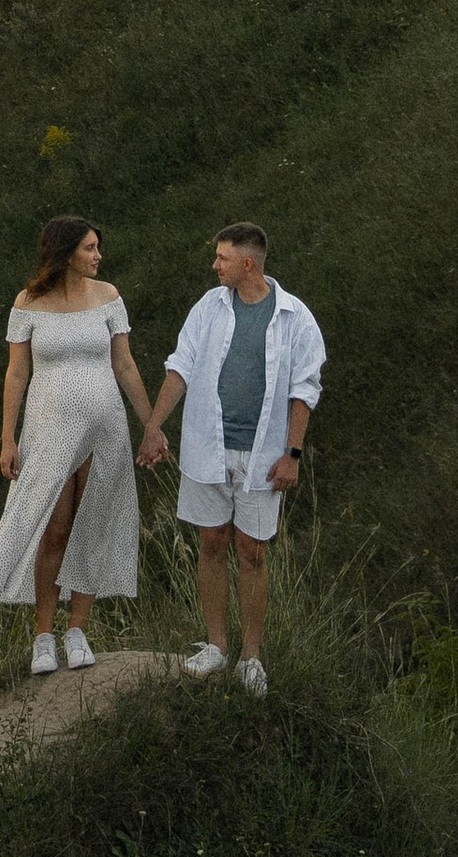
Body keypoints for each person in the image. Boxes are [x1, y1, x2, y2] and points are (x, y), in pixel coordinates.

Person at [134, 220, 324, 696]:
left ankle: (251, 656)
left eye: (221, 258)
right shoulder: (209, 307)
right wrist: (155, 426)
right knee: (213, 543)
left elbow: (305, 389)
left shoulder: (294, 316)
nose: (213, 265)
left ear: (246, 262)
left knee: (253, 552)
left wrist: (292, 455)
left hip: (263, 453)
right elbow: (180, 366)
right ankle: (216, 645)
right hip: (207, 445)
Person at [0, 211, 153, 673]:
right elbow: (17, 371)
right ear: (67, 252)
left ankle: (78, 630)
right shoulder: (29, 301)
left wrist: (151, 424)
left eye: (97, 248)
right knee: (53, 527)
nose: (98, 256)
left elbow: (125, 364)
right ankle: (44, 636)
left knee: (92, 523)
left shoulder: (109, 297)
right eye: (90, 248)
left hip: (105, 424)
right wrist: (6, 438)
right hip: (48, 426)